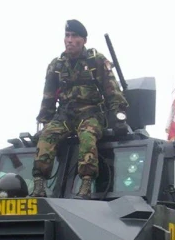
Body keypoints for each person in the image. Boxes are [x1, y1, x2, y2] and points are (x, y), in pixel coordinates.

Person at [32, 19, 128, 200]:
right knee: (46, 138)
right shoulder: (56, 66)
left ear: (83, 40)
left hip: (90, 113)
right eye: (67, 36)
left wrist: (118, 117)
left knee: (87, 136)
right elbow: (48, 98)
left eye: (74, 36)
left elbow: (112, 91)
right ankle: (39, 185)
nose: (69, 40)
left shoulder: (96, 61)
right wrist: (45, 123)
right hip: (65, 115)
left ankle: (85, 183)